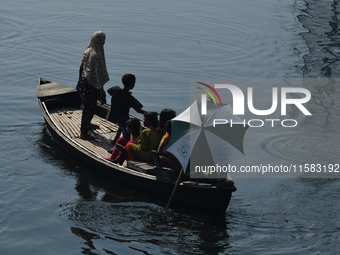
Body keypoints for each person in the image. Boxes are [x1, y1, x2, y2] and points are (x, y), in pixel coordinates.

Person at [76, 31, 109, 139]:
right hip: (91, 84)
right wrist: (101, 90)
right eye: (103, 40)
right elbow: (98, 75)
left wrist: (78, 82)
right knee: (89, 108)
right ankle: (83, 133)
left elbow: (81, 67)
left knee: (90, 106)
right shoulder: (97, 55)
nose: (104, 42)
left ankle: (87, 124)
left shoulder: (88, 50)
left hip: (83, 81)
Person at [107, 73, 145, 144]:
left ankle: (115, 139)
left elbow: (109, 91)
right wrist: (149, 114)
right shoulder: (129, 98)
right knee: (127, 133)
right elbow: (138, 110)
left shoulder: (116, 89)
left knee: (122, 122)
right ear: (132, 84)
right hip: (122, 117)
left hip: (113, 115)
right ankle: (122, 145)